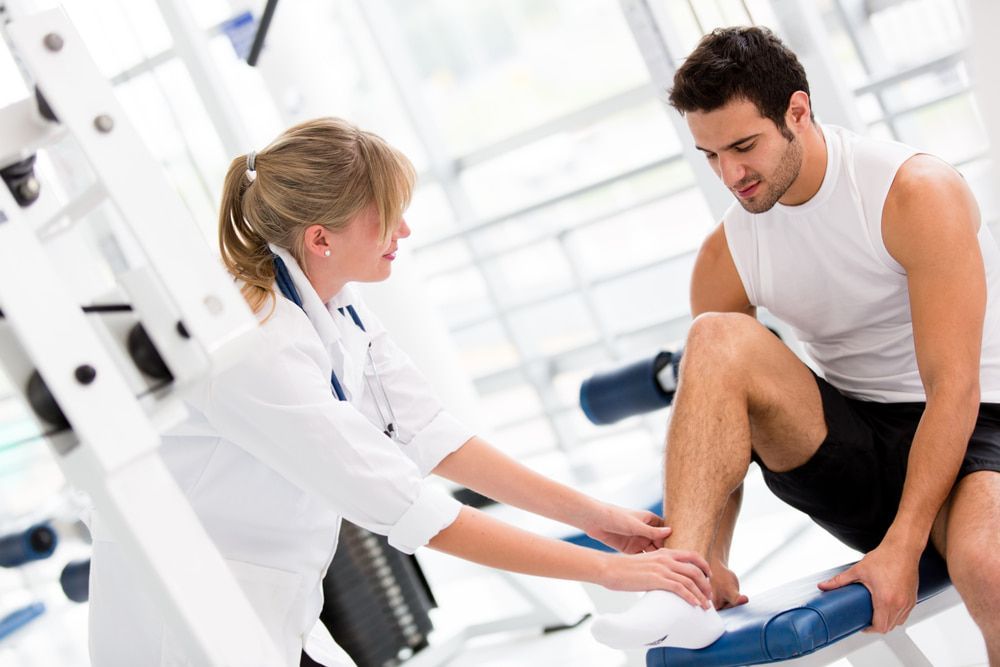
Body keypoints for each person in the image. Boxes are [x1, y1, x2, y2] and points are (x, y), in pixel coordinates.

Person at [86, 117, 715, 667]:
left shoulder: (336, 306)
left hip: (266, 603)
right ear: (321, 237)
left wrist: (598, 520)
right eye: (387, 213)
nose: (405, 229)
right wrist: (611, 570)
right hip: (185, 618)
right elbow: (412, 509)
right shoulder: (258, 345)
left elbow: (432, 434)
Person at [591, 25, 1000, 660]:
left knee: (990, 566)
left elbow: (956, 387)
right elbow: (718, 415)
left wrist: (901, 546)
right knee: (715, 338)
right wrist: (715, 558)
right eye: (710, 156)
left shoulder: (912, 193)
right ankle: (681, 586)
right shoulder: (727, 253)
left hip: (973, 431)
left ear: (797, 111)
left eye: (744, 146)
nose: (731, 174)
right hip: (854, 447)